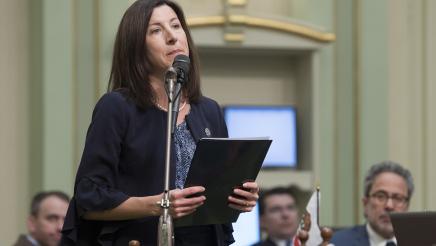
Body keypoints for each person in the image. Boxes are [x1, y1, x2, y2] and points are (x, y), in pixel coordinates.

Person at [60, 0, 259, 245]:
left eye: (176, 26)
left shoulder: (208, 110)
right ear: (136, 46)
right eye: (156, 30)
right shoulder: (117, 107)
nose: (172, 37)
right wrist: (159, 205)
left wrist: (238, 197)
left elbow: (215, 190)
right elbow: (89, 200)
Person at [330, 160, 414, 246]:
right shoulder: (336, 243)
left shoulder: (423, 242)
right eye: (381, 196)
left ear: (407, 206)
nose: (389, 205)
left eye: (398, 198)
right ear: (365, 203)